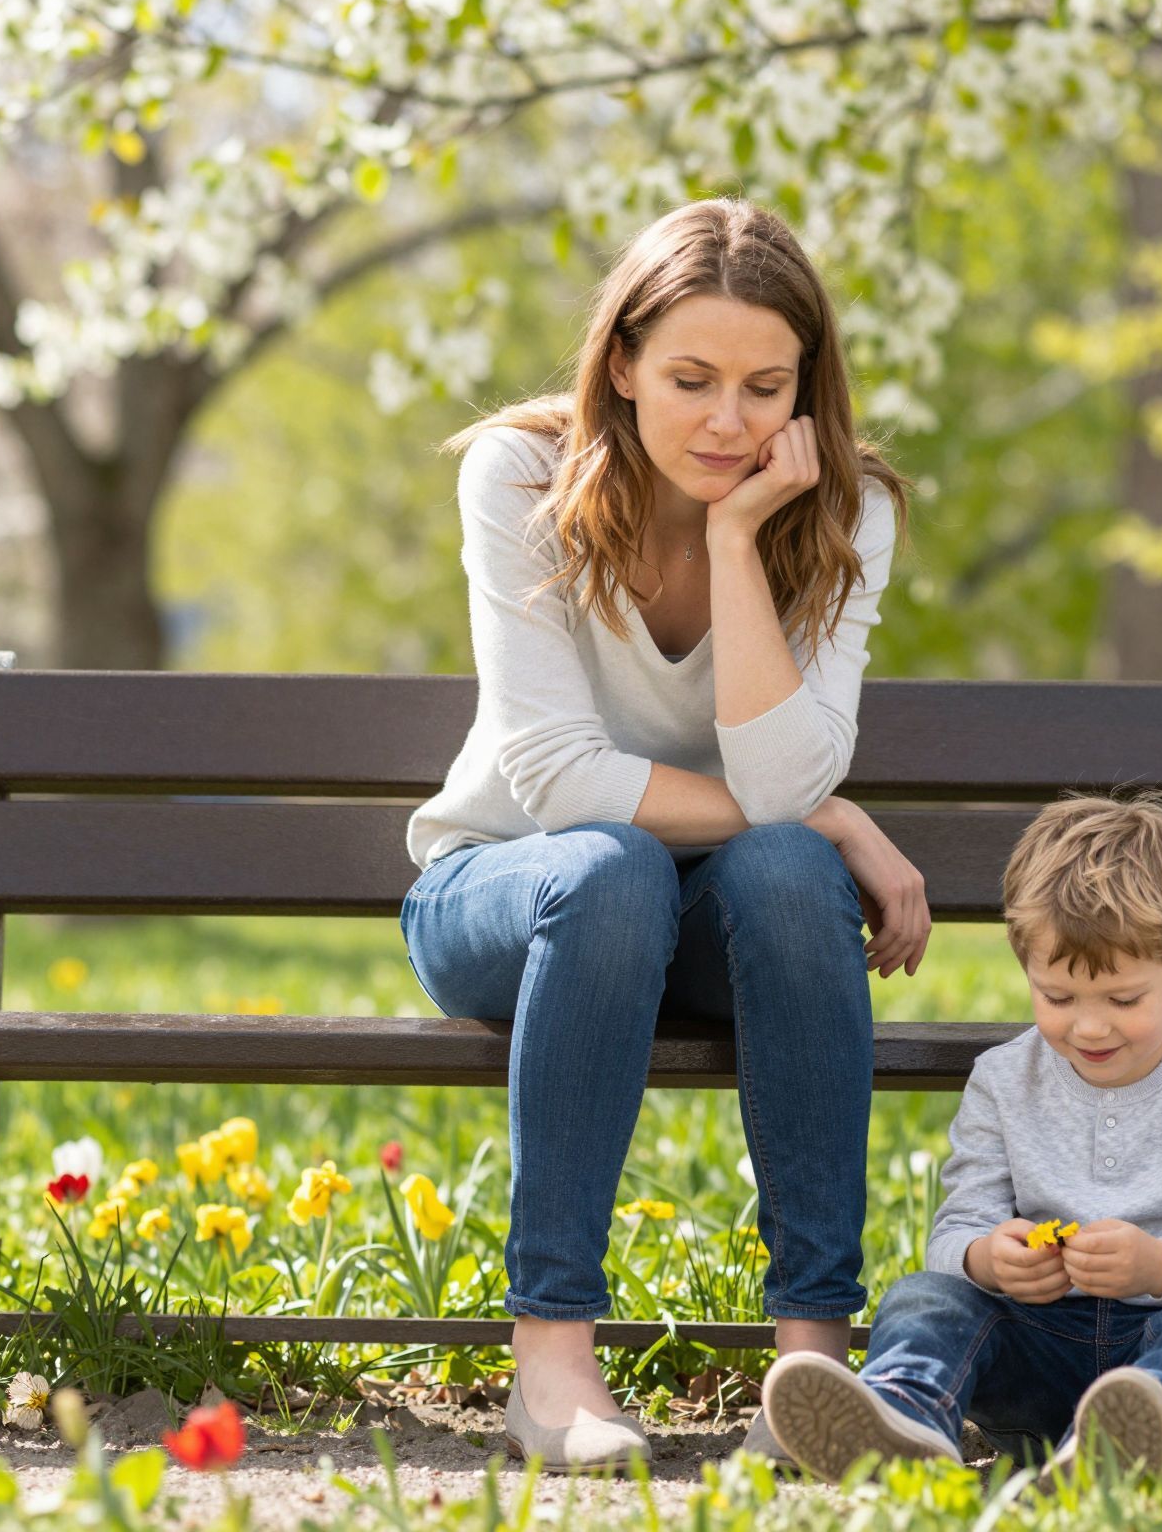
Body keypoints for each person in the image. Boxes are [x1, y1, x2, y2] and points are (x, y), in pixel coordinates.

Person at [400, 197, 933, 1471]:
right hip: (508, 894)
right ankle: (553, 1368)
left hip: (712, 914)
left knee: (788, 865)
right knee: (618, 862)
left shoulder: (842, 512)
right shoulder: (521, 476)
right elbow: (556, 778)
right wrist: (835, 810)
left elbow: (786, 774)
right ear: (622, 363)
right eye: (689, 379)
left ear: (807, 389)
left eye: (764, 387)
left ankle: (809, 1369)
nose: (727, 421)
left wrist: (740, 541)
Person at [761, 792, 1162, 1485]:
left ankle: (1137, 1436)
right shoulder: (1002, 1080)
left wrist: (1161, 1266)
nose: (1090, 1028)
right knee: (923, 1296)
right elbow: (954, 1233)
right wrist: (988, 1259)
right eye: (1057, 997)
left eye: (1124, 1000)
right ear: (1026, 970)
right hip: (1038, 1358)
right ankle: (903, 1421)